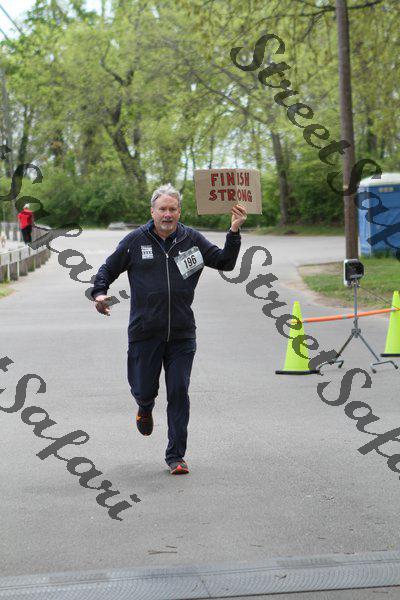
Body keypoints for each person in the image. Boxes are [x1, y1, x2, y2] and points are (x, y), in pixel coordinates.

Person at [91, 183, 247, 475]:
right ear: (152, 211)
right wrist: (99, 294)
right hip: (145, 331)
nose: (167, 214)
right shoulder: (135, 241)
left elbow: (225, 262)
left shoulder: (191, 239)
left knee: (178, 392)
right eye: (162, 209)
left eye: (172, 209)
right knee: (143, 388)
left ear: (179, 212)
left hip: (181, 334)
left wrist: (234, 230)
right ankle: (144, 405)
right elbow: (107, 270)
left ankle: (176, 456)